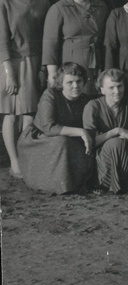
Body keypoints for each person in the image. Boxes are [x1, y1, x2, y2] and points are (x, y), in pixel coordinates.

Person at [0, 0, 48, 178]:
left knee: (30, 112)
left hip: (36, 60)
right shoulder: (5, 0)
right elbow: (2, 39)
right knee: (11, 113)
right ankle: (15, 162)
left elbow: (45, 35)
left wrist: (43, 67)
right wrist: (8, 72)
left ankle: (26, 156)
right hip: (13, 62)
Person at [18, 63, 95, 194]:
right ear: (61, 83)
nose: (75, 86)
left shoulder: (85, 100)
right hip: (40, 141)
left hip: (68, 139)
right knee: (62, 143)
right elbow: (48, 127)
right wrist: (81, 132)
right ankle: (60, 186)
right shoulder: (50, 95)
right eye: (70, 82)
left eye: (79, 81)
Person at [84, 68, 128, 193]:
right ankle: (108, 184)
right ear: (102, 90)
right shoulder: (93, 106)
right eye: (111, 88)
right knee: (115, 144)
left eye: (119, 86)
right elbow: (91, 141)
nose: (116, 91)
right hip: (104, 153)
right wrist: (116, 131)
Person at [42, 0, 110, 86]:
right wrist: (52, 74)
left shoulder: (101, 7)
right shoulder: (59, 9)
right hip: (71, 67)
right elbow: (50, 45)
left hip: (96, 67)